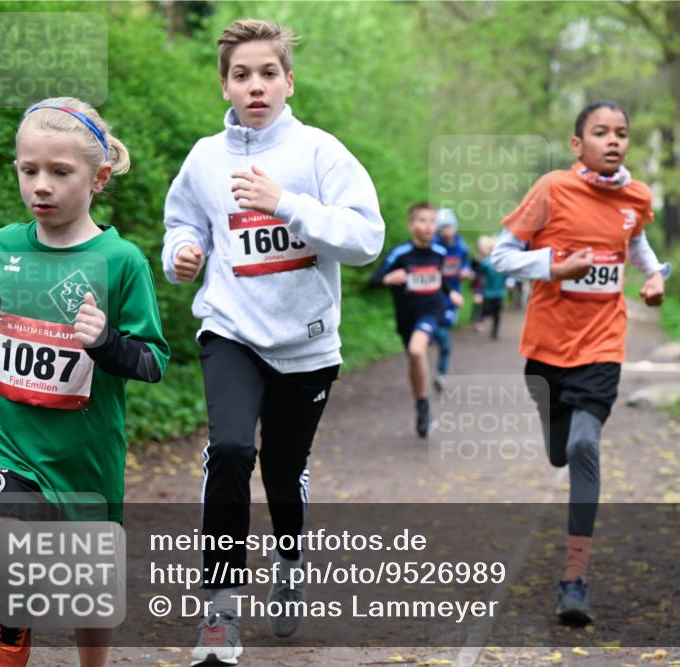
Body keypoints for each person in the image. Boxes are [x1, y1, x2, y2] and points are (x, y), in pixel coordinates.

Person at [160, 18, 384, 665]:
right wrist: (183, 249)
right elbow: (182, 218)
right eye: (240, 75)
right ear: (224, 85)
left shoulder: (319, 153)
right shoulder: (205, 158)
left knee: (282, 471)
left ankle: (289, 557)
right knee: (230, 449)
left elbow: (365, 238)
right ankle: (219, 611)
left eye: (267, 73)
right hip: (230, 328)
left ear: (289, 81)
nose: (254, 85)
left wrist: (285, 202)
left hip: (307, 344)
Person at [0, 97, 170, 667]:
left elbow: (152, 361)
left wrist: (105, 343)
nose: (40, 186)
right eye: (29, 171)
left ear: (98, 178)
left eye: (59, 172)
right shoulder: (7, 244)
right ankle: (14, 615)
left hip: (86, 460)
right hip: (11, 447)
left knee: (89, 600)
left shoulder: (120, 261)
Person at [491, 101, 670, 625]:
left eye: (622, 133)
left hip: (603, 345)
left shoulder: (636, 196)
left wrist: (655, 275)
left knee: (583, 445)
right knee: (559, 450)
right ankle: (557, 434)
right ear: (578, 144)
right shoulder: (552, 189)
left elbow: (636, 243)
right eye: (600, 132)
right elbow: (501, 256)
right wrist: (553, 265)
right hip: (546, 349)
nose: (613, 140)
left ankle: (575, 577)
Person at [368, 202, 463, 438]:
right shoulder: (401, 254)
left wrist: (451, 292)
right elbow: (374, 279)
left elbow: (441, 280)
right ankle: (422, 406)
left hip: (432, 311)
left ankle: (424, 406)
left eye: (432, 221)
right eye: (422, 220)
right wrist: (388, 278)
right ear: (412, 225)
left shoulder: (439, 253)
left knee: (417, 350)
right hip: (406, 317)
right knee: (414, 357)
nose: (428, 226)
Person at [431, 208, 472, 391]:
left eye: (449, 227)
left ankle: (441, 375)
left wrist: (465, 272)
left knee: (444, 339)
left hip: (452, 298)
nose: (446, 232)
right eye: (442, 229)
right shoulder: (433, 247)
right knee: (436, 336)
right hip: (432, 297)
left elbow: (466, 266)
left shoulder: (461, 247)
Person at [473, 236, 508, 340]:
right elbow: (479, 271)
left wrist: (510, 281)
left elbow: (508, 274)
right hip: (488, 292)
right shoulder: (487, 262)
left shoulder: (503, 262)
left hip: (499, 292)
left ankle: (494, 332)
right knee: (486, 310)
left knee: (497, 313)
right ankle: (480, 321)